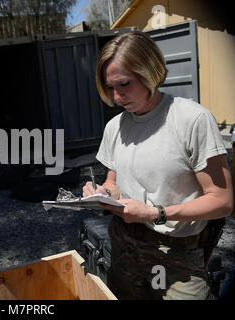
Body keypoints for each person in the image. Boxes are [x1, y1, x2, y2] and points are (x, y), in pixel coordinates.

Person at [83, 31, 233, 300]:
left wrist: (156, 213)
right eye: (109, 87)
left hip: (176, 255)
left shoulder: (192, 119)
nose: (116, 97)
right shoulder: (115, 127)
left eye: (125, 84)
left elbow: (222, 201)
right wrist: (103, 194)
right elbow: (114, 183)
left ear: (151, 72)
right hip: (124, 245)